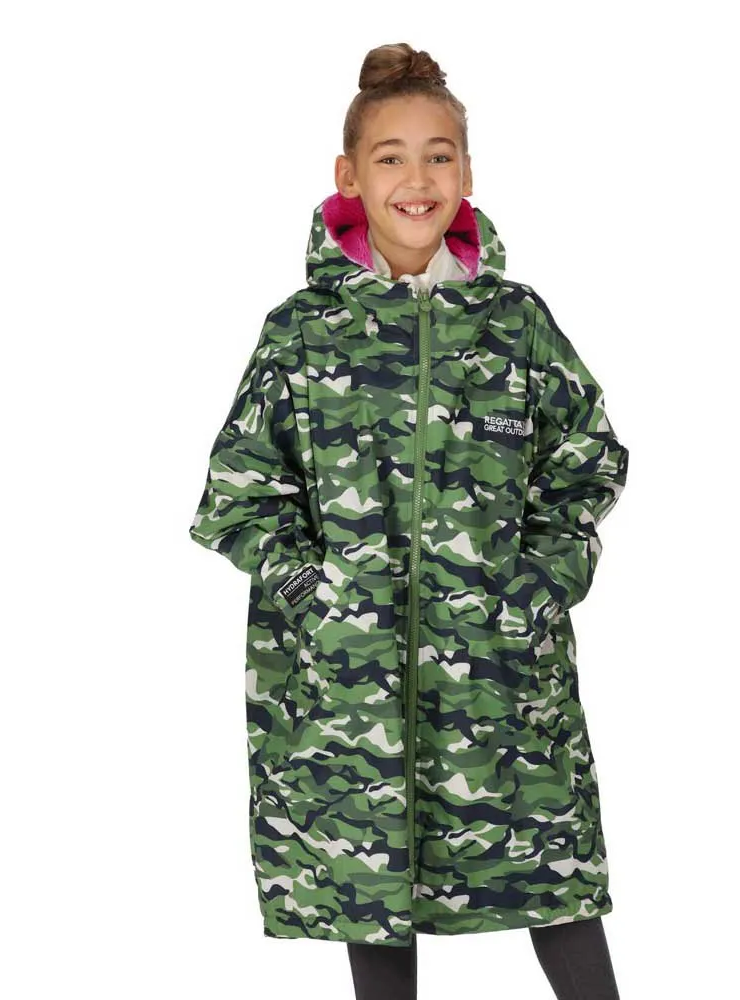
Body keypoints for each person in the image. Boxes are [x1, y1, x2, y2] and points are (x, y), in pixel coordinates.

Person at [188, 41, 629, 1000]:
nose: (417, 179)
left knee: (552, 872)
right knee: (371, 889)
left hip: (502, 677)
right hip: (352, 694)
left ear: (466, 174)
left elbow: (588, 455)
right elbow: (238, 493)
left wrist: (542, 580)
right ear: (349, 176)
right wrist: (318, 595)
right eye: (391, 157)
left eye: (439, 156)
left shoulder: (516, 324)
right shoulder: (302, 333)